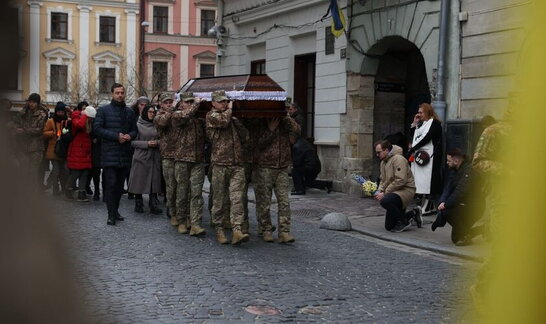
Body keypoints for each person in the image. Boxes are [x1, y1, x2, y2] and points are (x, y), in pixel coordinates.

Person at [206, 90, 251, 245]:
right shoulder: (211, 116)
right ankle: (219, 228)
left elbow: (246, 137)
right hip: (219, 163)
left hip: (236, 163)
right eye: (221, 101)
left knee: (237, 198)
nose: (224, 104)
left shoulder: (231, 117)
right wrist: (231, 110)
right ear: (213, 103)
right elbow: (223, 121)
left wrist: (238, 122)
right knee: (219, 198)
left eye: (226, 101)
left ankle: (237, 229)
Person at [93, 83, 137, 225]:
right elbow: (97, 129)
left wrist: (130, 136)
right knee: (111, 185)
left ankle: (115, 210)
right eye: (117, 92)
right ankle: (110, 214)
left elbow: (134, 130)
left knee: (119, 187)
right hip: (109, 153)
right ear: (112, 94)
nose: (120, 95)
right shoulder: (104, 110)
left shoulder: (129, 112)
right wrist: (115, 136)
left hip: (124, 154)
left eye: (122, 92)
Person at [254, 113, 300, 243]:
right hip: (265, 166)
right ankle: (266, 229)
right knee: (264, 202)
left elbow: (297, 131)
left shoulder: (286, 123)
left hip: (282, 166)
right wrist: (271, 130)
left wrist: (288, 117)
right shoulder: (260, 122)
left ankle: (284, 231)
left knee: (284, 201)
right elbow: (258, 144)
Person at [431, 148, 484, 245]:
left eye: (448, 160)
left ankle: (468, 234)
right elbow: (447, 189)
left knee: (447, 211)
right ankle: (478, 230)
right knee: (456, 238)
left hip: (474, 207)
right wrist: (442, 204)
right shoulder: (455, 171)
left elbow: (460, 191)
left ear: (456, 160)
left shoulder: (469, 171)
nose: (447, 163)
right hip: (463, 205)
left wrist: (445, 205)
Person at [172, 92, 206, 236]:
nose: (191, 104)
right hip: (182, 159)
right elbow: (185, 116)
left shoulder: (198, 117)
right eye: (188, 102)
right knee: (182, 192)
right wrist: (197, 104)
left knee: (196, 193)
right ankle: (181, 220)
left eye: (192, 102)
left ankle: (195, 223)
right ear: (181, 104)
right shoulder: (177, 115)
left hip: (198, 160)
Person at [374, 140, 418, 232]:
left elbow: (401, 180)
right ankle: (413, 214)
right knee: (389, 227)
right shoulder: (383, 162)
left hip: (406, 190)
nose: (377, 155)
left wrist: (385, 193)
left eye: (379, 152)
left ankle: (404, 222)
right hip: (394, 191)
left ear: (386, 150)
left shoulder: (398, 159)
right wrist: (380, 190)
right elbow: (383, 179)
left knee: (385, 201)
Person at [408, 102, 443, 214]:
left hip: (430, 157)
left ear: (427, 112)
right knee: (420, 181)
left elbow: (427, 138)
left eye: (421, 112)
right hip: (421, 157)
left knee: (428, 181)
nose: (419, 114)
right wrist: (414, 123)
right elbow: (413, 136)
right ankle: (424, 203)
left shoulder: (435, 123)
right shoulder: (421, 124)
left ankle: (429, 204)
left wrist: (413, 149)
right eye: (418, 112)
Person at [128, 106, 163, 215]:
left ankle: (153, 204)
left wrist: (157, 143)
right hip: (141, 156)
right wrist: (146, 144)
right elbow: (132, 142)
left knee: (154, 181)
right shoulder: (138, 125)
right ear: (145, 113)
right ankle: (138, 202)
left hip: (154, 156)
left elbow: (163, 139)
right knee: (139, 181)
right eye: (150, 112)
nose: (152, 114)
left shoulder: (158, 125)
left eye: (154, 112)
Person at [9, 93, 48, 189]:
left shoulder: (42, 114)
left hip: (36, 148)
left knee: (33, 173)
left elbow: (39, 129)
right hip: (24, 147)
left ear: (37, 103)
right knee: (23, 171)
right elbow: (15, 122)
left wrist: (23, 130)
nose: (31, 104)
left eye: (34, 102)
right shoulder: (24, 112)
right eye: (30, 102)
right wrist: (16, 128)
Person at [154, 92, 179, 226]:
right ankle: (171, 207)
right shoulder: (159, 116)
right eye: (166, 102)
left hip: (180, 153)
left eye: (171, 101)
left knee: (180, 184)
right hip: (168, 155)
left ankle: (180, 209)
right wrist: (171, 111)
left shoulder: (175, 113)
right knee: (170, 184)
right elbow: (163, 123)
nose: (169, 104)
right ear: (161, 104)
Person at [66, 106, 96, 202]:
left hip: (85, 150)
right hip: (77, 149)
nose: (91, 120)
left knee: (84, 173)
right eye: (90, 118)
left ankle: (81, 193)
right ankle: (68, 189)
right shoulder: (77, 118)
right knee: (75, 173)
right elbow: (80, 125)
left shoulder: (88, 121)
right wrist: (84, 116)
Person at [43, 102, 68, 196]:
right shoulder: (50, 121)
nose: (60, 114)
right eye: (59, 112)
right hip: (53, 150)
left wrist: (65, 134)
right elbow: (44, 133)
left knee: (63, 171)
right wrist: (52, 133)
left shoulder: (66, 121)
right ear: (56, 112)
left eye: (62, 112)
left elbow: (68, 132)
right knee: (56, 170)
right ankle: (55, 188)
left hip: (63, 150)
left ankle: (63, 188)